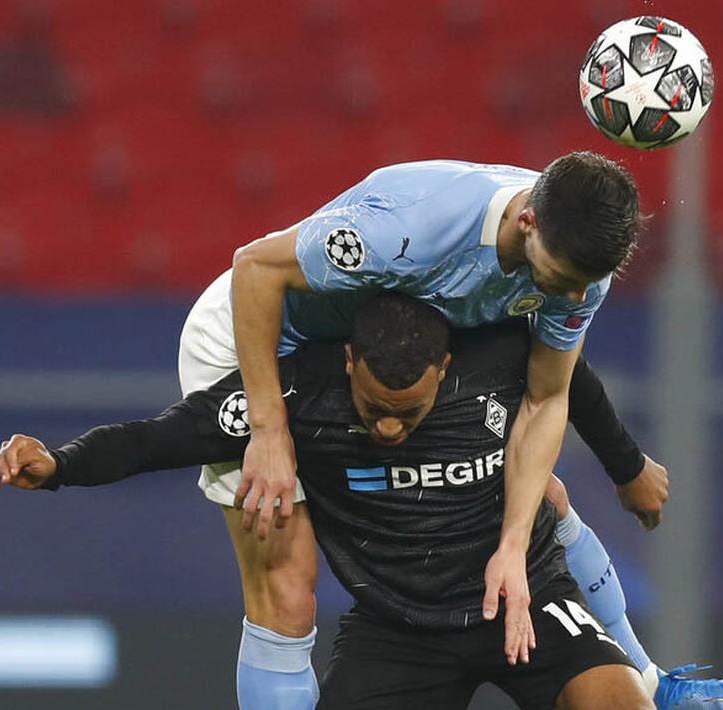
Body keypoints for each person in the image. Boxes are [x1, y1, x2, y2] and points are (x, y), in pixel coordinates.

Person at [0, 294, 723, 709]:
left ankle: (653, 681)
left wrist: (628, 463)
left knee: (616, 703)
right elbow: (155, 439)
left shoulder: (498, 354)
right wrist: (53, 464)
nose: (391, 426)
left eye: (411, 408)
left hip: (525, 600)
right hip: (398, 630)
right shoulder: (296, 394)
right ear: (348, 361)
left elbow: (570, 383)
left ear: (445, 364)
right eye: (374, 409)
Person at [182, 154, 661, 707]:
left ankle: (650, 679)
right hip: (256, 338)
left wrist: (511, 545)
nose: (574, 298)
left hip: (378, 355)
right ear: (526, 222)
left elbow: (548, 395)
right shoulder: (408, 232)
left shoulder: (576, 265)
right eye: (564, 280)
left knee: (535, 499)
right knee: (287, 589)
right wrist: (268, 431)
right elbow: (255, 267)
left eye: (587, 284)